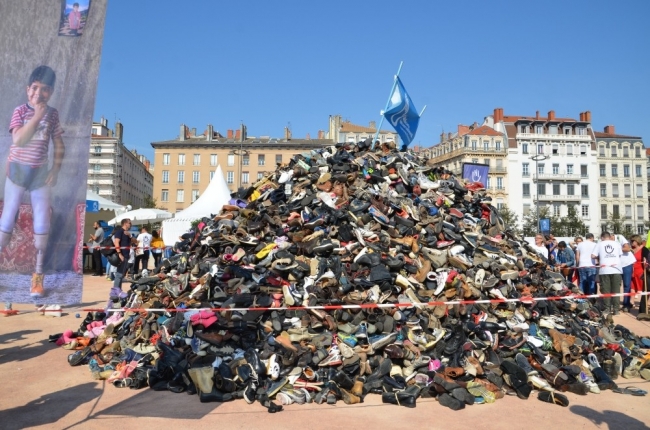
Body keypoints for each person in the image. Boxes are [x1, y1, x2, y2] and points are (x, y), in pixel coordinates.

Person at [0, 66, 65, 298]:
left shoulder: (54, 114)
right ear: (28, 89)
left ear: (52, 92)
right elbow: (18, 139)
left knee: (42, 222)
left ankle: (37, 276)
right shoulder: (20, 111)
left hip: (39, 173)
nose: (39, 93)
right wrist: (37, 115)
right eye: (35, 88)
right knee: (8, 217)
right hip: (17, 170)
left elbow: (58, 144)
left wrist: (55, 169)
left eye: (45, 89)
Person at [591, 231, 623, 315]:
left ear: (602, 237)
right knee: (616, 290)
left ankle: (607, 309)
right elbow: (620, 255)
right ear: (609, 236)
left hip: (605, 270)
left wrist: (601, 256)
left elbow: (593, 255)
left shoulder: (599, 244)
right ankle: (616, 310)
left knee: (606, 291)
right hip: (616, 269)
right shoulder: (617, 243)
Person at [110, 218, 132, 304]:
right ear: (125, 223)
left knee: (121, 274)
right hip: (121, 256)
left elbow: (134, 242)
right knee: (119, 275)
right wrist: (119, 253)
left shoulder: (127, 233)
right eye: (129, 223)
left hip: (126, 256)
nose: (131, 224)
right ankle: (115, 294)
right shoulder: (119, 232)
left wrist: (130, 236)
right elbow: (116, 243)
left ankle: (118, 291)